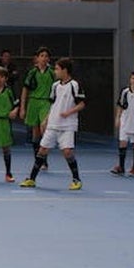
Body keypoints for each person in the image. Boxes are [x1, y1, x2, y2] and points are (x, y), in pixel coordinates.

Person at [20, 57, 85, 191]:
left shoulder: (74, 85)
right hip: (53, 124)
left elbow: (82, 104)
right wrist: (46, 119)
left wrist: (69, 112)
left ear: (65, 70)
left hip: (67, 125)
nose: (55, 71)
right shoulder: (55, 86)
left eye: (57, 69)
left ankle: (76, 179)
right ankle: (31, 179)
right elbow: (53, 104)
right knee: (42, 150)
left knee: (67, 152)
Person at [19, 47, 54, 171]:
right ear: (37, 58)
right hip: (33, 102)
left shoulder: (52, 72)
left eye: (46, 56)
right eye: (42, 55)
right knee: (35, 132)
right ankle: (37, 159)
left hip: (45, 102)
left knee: (44, 128)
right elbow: (25, 89)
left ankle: (44, 159)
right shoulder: (32, 72)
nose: (44, 58)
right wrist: (22, 107)